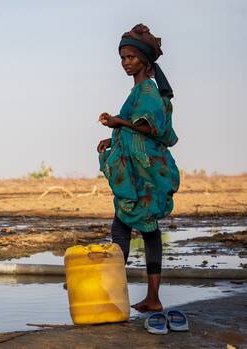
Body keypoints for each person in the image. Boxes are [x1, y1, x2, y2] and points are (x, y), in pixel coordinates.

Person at [97, 24, 180, 313]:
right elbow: (138, 130)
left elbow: (149, 125)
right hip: (141, 169)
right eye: (122, 58)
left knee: (124, 224)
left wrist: (119, 123)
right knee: (145, 228)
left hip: (145, 172)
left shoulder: (147, 89)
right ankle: (149, 297)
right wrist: (114, 137)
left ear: (144, 59)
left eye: (131, 57)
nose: (126, 63)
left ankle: (112, 291)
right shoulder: (139, 89)